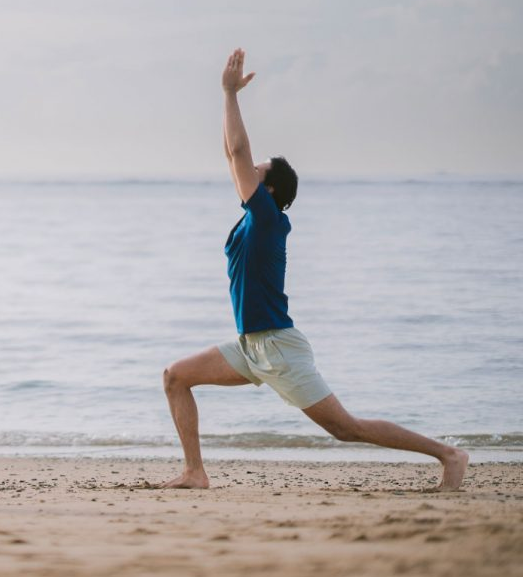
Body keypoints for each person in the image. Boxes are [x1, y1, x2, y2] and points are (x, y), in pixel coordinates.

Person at [159, 50, 469, 491]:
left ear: (269, 189)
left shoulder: (267, 218)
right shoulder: (253, 219)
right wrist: (228, 104)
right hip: (251, 347)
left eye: (257, 171)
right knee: (175, 376)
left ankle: (450, 455)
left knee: (346, 428)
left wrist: (229, 94)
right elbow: (233, 154)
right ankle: (195, 472)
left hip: (279, 348)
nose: (245, 170)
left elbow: (238, 151)